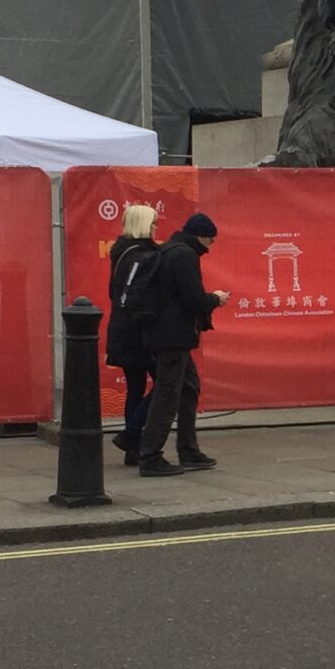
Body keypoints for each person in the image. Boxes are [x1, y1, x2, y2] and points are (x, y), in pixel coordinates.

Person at [138, 211, 230, 477]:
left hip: (166, 334)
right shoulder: (184, 255)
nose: (210, 248)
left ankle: (188, 450)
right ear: (201, 236)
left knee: (189, 387)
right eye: (210, 242)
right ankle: (150, 456)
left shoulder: (169, 249)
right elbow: (193, 299)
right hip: (173, 336)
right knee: (168, 395)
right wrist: (216, 298)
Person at [105, 202, 160, 463]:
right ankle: (130, 435)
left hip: (122, 330)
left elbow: (114, 293)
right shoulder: (143, 256)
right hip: (139, 333)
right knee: (168, 383)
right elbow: (139, 298)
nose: (156, 227)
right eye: (153, 222)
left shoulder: (122, 253)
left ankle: (133, 448)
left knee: (135, 388)